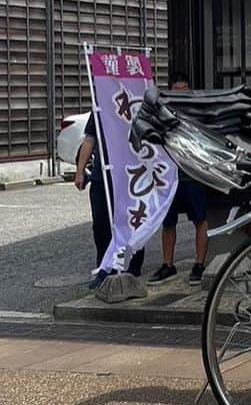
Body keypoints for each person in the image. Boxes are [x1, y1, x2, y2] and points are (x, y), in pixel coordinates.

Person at [148, 73, 209, 288]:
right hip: (169, 176)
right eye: (177, 88)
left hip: (193, 175)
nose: (181, 91)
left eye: (185, 87)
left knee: (200, 220)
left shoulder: (196, 112)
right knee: (168, 222)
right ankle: (167, 264)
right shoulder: (161, 112)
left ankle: (199, 263)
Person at [74, 112, 144, 290]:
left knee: (129, 223)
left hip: (129, 176)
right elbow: (89, 140)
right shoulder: (99, 107)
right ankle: (105, 270)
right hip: (101, 176)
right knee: (101, 225)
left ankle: (130, 268)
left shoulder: (132, 101)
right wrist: (80, 171)